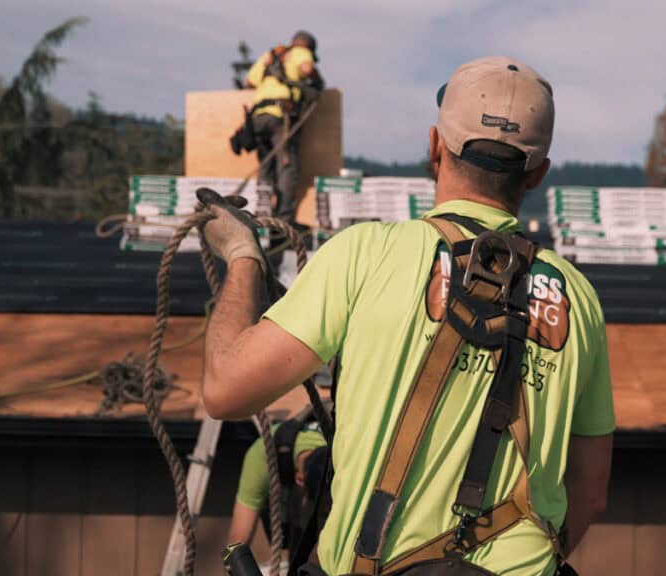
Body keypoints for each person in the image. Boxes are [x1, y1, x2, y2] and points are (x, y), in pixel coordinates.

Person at [200, 56, 615, 576]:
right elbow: (591, 491)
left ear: (436, 145)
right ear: (538, 173)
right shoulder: (579, 298)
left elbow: (224, 388)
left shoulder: (366, 255)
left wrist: (241, 257)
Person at [244, 30, 322, 226]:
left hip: (258, 118)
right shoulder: (300, 51)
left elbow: (249, 82)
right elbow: (307, 69)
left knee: (266, 168)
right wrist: (316, 80)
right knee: (287, 168)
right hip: (281, 117)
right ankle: (283, 223)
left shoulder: (270, 56)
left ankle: (262, 217)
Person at [228, 423, 328, 549]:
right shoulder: (261, 456)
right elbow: (235, 542)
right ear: (299, 479)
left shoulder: (349, 456)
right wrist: (229, 566)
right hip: (281, 471)